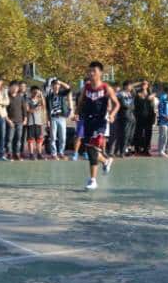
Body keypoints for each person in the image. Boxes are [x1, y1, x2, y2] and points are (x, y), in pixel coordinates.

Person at [75, 61, 119, 190]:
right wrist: (77, 113)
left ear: (100, 73)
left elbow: (117, 104)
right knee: (90, 150)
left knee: (93, 149)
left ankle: (93, 180)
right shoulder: (86, 87)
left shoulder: (106, 88)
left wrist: (112, 115)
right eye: (89, 71)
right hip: (88, 121)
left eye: (93, 71)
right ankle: (106, 161)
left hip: (100, 122)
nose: (91, 73)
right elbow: (80, 101)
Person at [46, 79, 72, 159]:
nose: (56, 86)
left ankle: (61, 152)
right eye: (54, 85)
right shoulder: (49, 96)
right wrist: (48, 120)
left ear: (59, 86)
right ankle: (54, 154)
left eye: (57, 85)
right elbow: (47, 110)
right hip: (53, 118)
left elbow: (68, 88)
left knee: (63, 137)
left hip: (62, 118)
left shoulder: (62, 94)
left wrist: (60, 82)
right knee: (53, 137)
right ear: (52, 86)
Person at [111, 81, 136, 158]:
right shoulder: (120, 94)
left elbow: (132, 105)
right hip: (124, 116)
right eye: (129, 85)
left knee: (130, 135)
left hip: (131, 116)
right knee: (124, 134)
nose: (131, 87)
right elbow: (123, 104)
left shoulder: (130, 94)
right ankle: (121, 152)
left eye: (131, 86)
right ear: (125, 86)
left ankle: (125, 150)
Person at [7, 81, 28, 160]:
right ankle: (9, 154)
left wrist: (25, 119)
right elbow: (4, 111)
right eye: (13, 87)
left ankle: (17, 154)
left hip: (20, 121)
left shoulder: (20, 97)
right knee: (9, 138)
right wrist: (8, 120)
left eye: (16, 87)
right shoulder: (7, 97)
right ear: (10, 87)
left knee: (18, 138)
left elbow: (24, 109)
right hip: (10, 121)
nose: (15, 88)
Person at [26, 86, 47, 160]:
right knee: (30, 139)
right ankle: (31, 154)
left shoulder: (40, 100)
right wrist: (35, 109)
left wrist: (41, 94)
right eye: (34, 92)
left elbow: (44, 106)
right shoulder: (27, 100)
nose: (35, 94)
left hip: (39, 122)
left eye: (36, 92)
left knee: (39, 139)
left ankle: (39, 154)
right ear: (31, 92)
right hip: (30, 122)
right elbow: (27, 109)